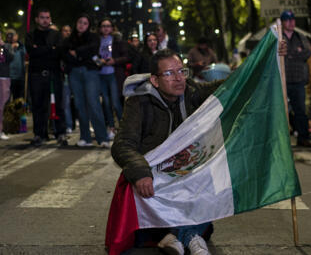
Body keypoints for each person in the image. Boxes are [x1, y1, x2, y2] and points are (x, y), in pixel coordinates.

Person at [111, 49, 222, 255]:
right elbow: (123, 144)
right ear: (155, 80)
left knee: (209, 174)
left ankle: (178, 237)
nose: (179, 78)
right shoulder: (138, 101)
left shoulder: (191, 91)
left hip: (186, 169)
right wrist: (141, 173)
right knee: (154, 186)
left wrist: (265, 57)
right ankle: (190, 236)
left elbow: (229, 87)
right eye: (170, 73)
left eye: (182, 71)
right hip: (155, 172)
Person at [63, 14, 109, 148]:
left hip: (90, 72)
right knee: (79, 105)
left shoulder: (93, 37)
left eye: (85, 23)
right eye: (79, 22)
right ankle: (85, 137)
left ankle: (102, 138)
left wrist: (76, 52)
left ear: (88, 25)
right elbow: (64, 52)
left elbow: (92, 49)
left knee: (94, 103)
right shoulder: (69, 38)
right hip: (75, 73)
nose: (81, 25)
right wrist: (80, 55)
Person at [25, 8, 67, 146]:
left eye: (47, 17)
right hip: (36, 75)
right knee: (38, 105)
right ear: (37, 19)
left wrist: (42, 49)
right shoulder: (30, 35)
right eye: (42, 17)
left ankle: (60, 133)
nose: (45, 20)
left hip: (54, 74)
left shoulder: (56, 34)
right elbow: (32, 52)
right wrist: (50, 48)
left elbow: (59, 52)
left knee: (58, 105)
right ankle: (39, 134)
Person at [278, 10, 311, 147]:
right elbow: (278, 53)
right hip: (283, 80)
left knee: (300, 110)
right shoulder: (279, 37)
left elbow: (307, 52)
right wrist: (295, 53)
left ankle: (303, 137)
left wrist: (289, 54)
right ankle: (281, 139)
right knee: (281, 109)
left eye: (292, 19)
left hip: (298, 79)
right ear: (282, 22)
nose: (291, 22)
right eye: (288, 20)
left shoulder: (300, 37)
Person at [98, 18, 128, 139]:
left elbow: (126, 56)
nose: (106, 28)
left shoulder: (117, 40)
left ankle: (123, 129)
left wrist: (114, 61)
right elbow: (93, 55)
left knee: (116, 103)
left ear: (112, 28)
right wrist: (98, 60)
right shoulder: (97, 40)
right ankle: (111, 128)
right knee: (106, 103)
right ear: (100, 28)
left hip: (113, 75)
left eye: (108, 26)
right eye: (103, 26)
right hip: (101, 74)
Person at [60, 25, 75, 134]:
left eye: (69, 31)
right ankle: (67, 125)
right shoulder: (59, 44)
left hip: (72, 75)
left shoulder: (73, 44)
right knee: (65, 103)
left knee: (77, 102)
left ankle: (72, 123)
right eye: (65, 31)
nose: (67, 33)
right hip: (62, 76)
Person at [7, 29, 26, 100]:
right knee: (7, 98)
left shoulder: (21, 46)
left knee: (18, 99)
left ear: (16, 36)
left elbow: (26, 55)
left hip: (20, 76)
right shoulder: (5, 46)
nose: (11, 37)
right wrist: (10, 47)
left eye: (12, 35)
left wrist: (19, 45)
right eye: (9, 35)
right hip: (8, 76)